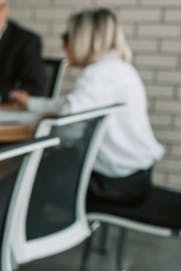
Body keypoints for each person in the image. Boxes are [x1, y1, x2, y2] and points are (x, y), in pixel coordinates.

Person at [9, 8, 164, 204]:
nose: (63, 44)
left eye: (67, 37)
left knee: (29, 175)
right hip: (136, 175)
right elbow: (67, 105)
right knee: (47, 168)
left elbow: (64, 130)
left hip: (115, 182)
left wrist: (28, 126)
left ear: (83, 39)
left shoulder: (96, 76)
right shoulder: (120, 69)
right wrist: (30, 103)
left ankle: (43, 229)